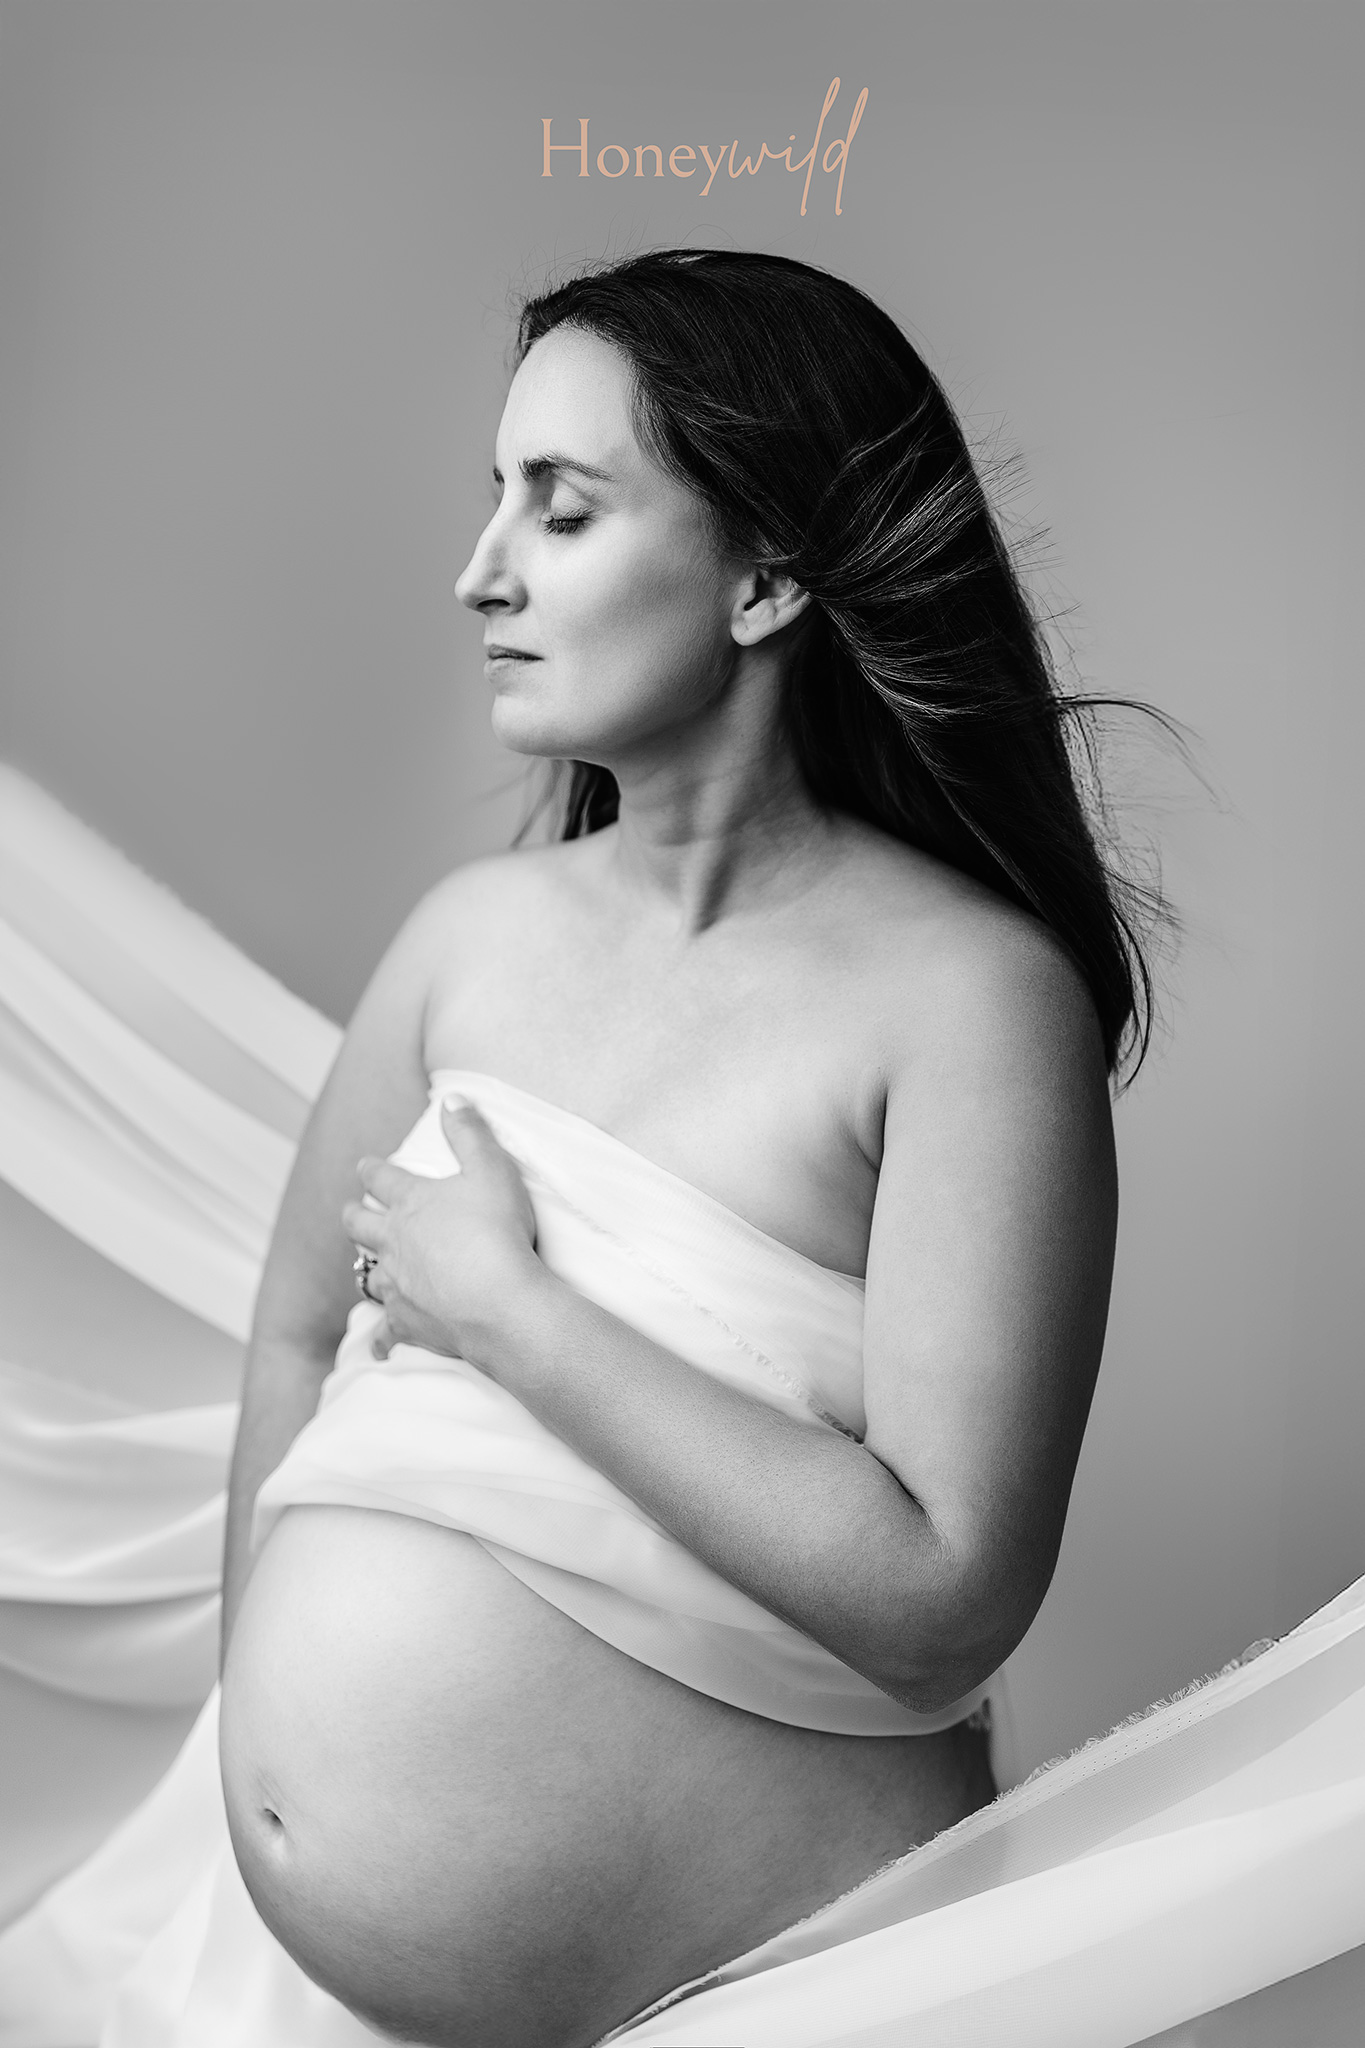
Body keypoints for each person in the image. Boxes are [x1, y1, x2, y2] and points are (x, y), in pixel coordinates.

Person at [207, 247, 1138, 2046]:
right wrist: (260, 1705)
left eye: (560, 513)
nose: (477, 572)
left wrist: (508, 1312)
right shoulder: (466, 939)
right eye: (496, 501)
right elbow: (297, 1336)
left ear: (766, 572)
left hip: (772, 2002)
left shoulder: (964, 1007)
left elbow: (943, 1600)